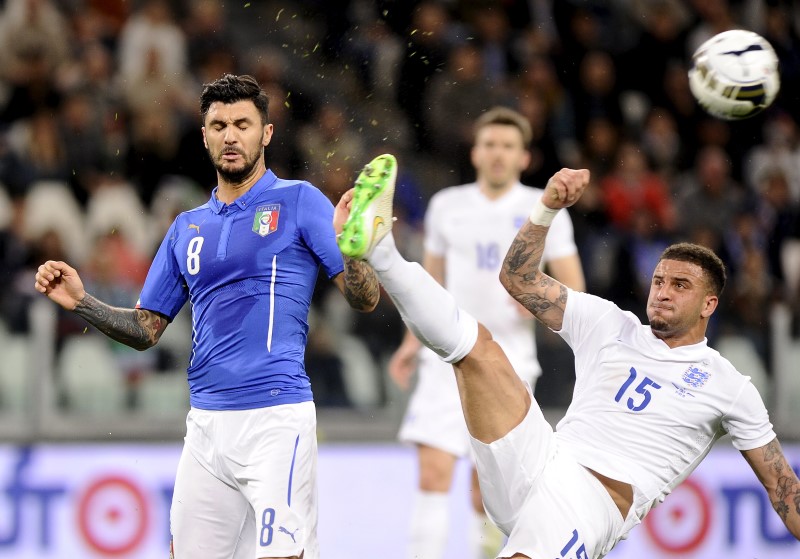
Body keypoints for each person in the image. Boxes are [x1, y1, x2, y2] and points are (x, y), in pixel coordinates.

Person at [336, 155, 800, 559]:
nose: (662, 293)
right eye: (659, 281)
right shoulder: (610, 323)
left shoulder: (729, 385)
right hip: (542, 456)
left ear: (708, 304)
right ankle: (383, 251)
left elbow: (783, 489)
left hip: (591, 501)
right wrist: (547, 208)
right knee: (478, 348)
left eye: (680, 286)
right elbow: (518, 280)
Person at [34, 74, 380, 559]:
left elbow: (364, 299)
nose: (230, 135)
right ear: (204, 135)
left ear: (267, 133)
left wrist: (355, 247)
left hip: (275, 418)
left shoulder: (300, 201)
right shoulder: (185, 228)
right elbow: (145, 329)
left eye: (243, 123)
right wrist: (83, 301)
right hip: (207, 426)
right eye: (218, 125)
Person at [388, 106, 585, 559]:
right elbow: (430, 285)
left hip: (511, 359)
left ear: (524, 157)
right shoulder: (447, 206)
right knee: (433, 472)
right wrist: (409, 344)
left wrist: (537, 302)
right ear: (475, 152)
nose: (498, 154)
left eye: (508, 146)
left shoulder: (544, 208)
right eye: (490, 144)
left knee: (489, 492)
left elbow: (575, 290)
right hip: (445, 357)